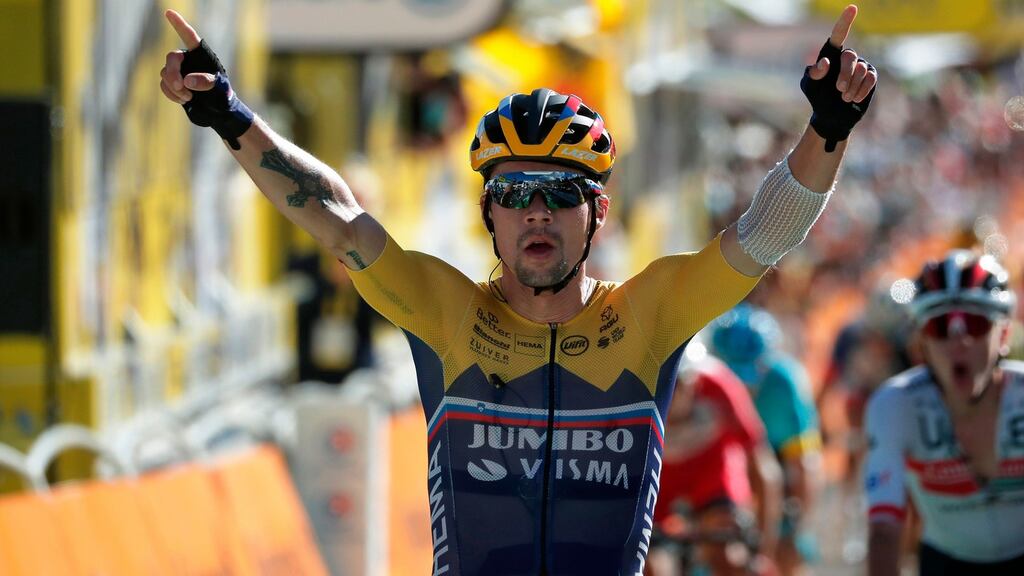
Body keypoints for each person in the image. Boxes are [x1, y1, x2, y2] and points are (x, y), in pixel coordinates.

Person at [159, 5, 876, 574]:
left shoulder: (650, 315)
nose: (537, 210)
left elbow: (763, 235)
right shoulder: (447, 312)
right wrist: (228, 115)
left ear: (597, 213)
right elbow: (339, 217)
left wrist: (827, 127)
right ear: (488, 215)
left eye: (561, 192)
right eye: (514, 191)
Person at [864, 250, 1024, 575]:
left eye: (976, 323)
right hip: (946, 561)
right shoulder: (896, 405)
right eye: (940, 326)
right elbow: (884, 532)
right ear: (921, 343)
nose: (959, 340)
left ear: (1004, 334)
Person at [708, 304, 823, 576]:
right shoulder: (704, 382)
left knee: (787, 552)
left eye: (749, 377)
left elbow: (805, 464)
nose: (743, 388)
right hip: (726, 469)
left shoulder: (785, 382)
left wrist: (795, 532)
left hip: (778, 462)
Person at [649, 345, 783, 576]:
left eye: (678, 385)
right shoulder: (637, 396)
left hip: (713, 479)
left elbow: (762, 465)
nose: (671, 395)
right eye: (662, 388)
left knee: (727, 556)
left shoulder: (720, 385)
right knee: (649, 565)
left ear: (694, 381)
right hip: (660, 483)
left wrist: (763, 549)